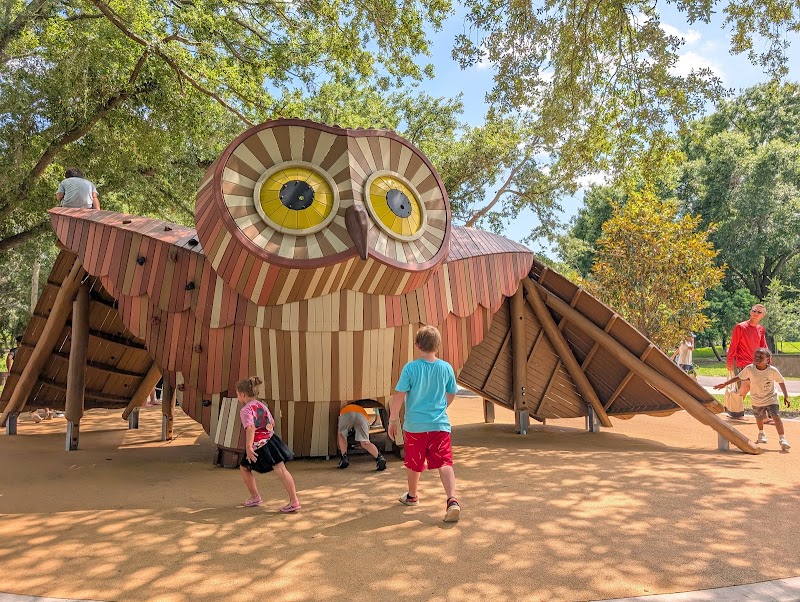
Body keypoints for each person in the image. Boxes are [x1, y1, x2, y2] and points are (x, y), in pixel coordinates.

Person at [388, 325, 461, 523]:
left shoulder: (411, 368)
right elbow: (452, 392)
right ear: (437, 345)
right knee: (444, 462)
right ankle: (452, 500)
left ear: (418, 345)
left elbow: (399, 395)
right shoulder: (446, 368)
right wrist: (442, 407)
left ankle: (412, 496)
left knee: (414, 462)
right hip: (439, 426)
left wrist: (392, 419)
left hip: (415, 426)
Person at [236, 376, 301, 512]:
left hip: (258, 446)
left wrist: (248, 447)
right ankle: (294, 500)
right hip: (271, 441)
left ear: (242, 394)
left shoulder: (246, 410)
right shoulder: (262, 405)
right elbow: (272, 423)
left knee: (244, 468)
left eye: (237, 394)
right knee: (282, 471)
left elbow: (250, 427)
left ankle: (255, 496)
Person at [714, 348, 790, 451]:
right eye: (756, 356)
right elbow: (739, 377)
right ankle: (761, 433)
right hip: (756, 399)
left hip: (771, 398)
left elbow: (781, 381)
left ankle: (782, 439)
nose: (757, 358)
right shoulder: (750, 369)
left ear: (768, 359)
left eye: (761, 357)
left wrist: (786, 396)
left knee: (776, 416)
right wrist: (725, 384)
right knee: (759, 418)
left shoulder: (772, 370)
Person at [725, 304, 768, 418]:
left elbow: (763, 347)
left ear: (763, 315)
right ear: (750, 312)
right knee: (753, 387)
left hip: (756, 365)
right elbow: (733, 346)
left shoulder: (760, 329)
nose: (755, 313)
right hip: (742, 364)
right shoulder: (740, 327)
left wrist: (768, 362)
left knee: (744, 388)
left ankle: (734, 412)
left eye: (759, 312)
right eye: (754, 311)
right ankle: (763, 416)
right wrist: (729, 362)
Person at [336, 402, 387, 470]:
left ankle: (344, 457)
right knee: (365, 442)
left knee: (342, 435)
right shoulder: (360, 408)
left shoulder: (345, 407)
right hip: (362, 416)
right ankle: (379, 457)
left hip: (346, 414)